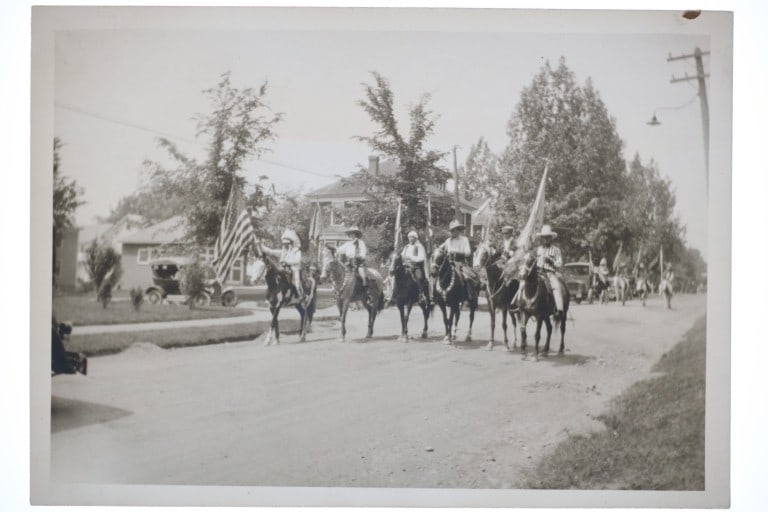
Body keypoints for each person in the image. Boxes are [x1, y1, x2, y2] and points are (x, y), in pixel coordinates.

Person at [259, 229, 305, 303]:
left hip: (294, 268)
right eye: (284, 244)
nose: (285, 245)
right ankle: (272, 294)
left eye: (287, 244)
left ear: (291, 244)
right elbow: (270, 251)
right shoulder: (282, 252)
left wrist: (287, 262)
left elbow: (297, 261)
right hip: (284, 269)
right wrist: (261, 246)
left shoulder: (297, 251)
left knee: (296, 283)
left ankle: (301, 296)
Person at [438, 219, 480, 297]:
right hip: (448, 262)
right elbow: (440, 249)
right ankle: (436, 295)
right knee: (439, 274)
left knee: (468, 277)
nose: (452, 232)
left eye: (454, 230)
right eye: (451, 231)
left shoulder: (464, 240)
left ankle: (469, 295)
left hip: (460, 262)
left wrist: (457, 252)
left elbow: (468, 252)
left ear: (458, 230)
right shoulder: (447, 241)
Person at [535, 225, 565, 317]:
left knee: (556, 287)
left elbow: (559, 263)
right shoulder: (539, 249)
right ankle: (520, 305)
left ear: (551, 238)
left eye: (548, 237)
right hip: (538, 272)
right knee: (525, 282)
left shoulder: (556, 250)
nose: (546, 240)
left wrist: (551, 261)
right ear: (541, 238)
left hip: (549, 273)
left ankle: (559, 309)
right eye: (544, 238)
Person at [400, 230, 430, 303]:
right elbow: (402, 256)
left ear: (416, 238)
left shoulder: (418, 247)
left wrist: (412, 258)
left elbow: (422, 258)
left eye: (412, 237)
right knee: (397, 275)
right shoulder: (406, 247)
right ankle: (395, 294)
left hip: (416, 266)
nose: (410, 239)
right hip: (406, 266)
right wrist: (403, 260)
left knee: (419, 277)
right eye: (409, 237)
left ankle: (421, 294)